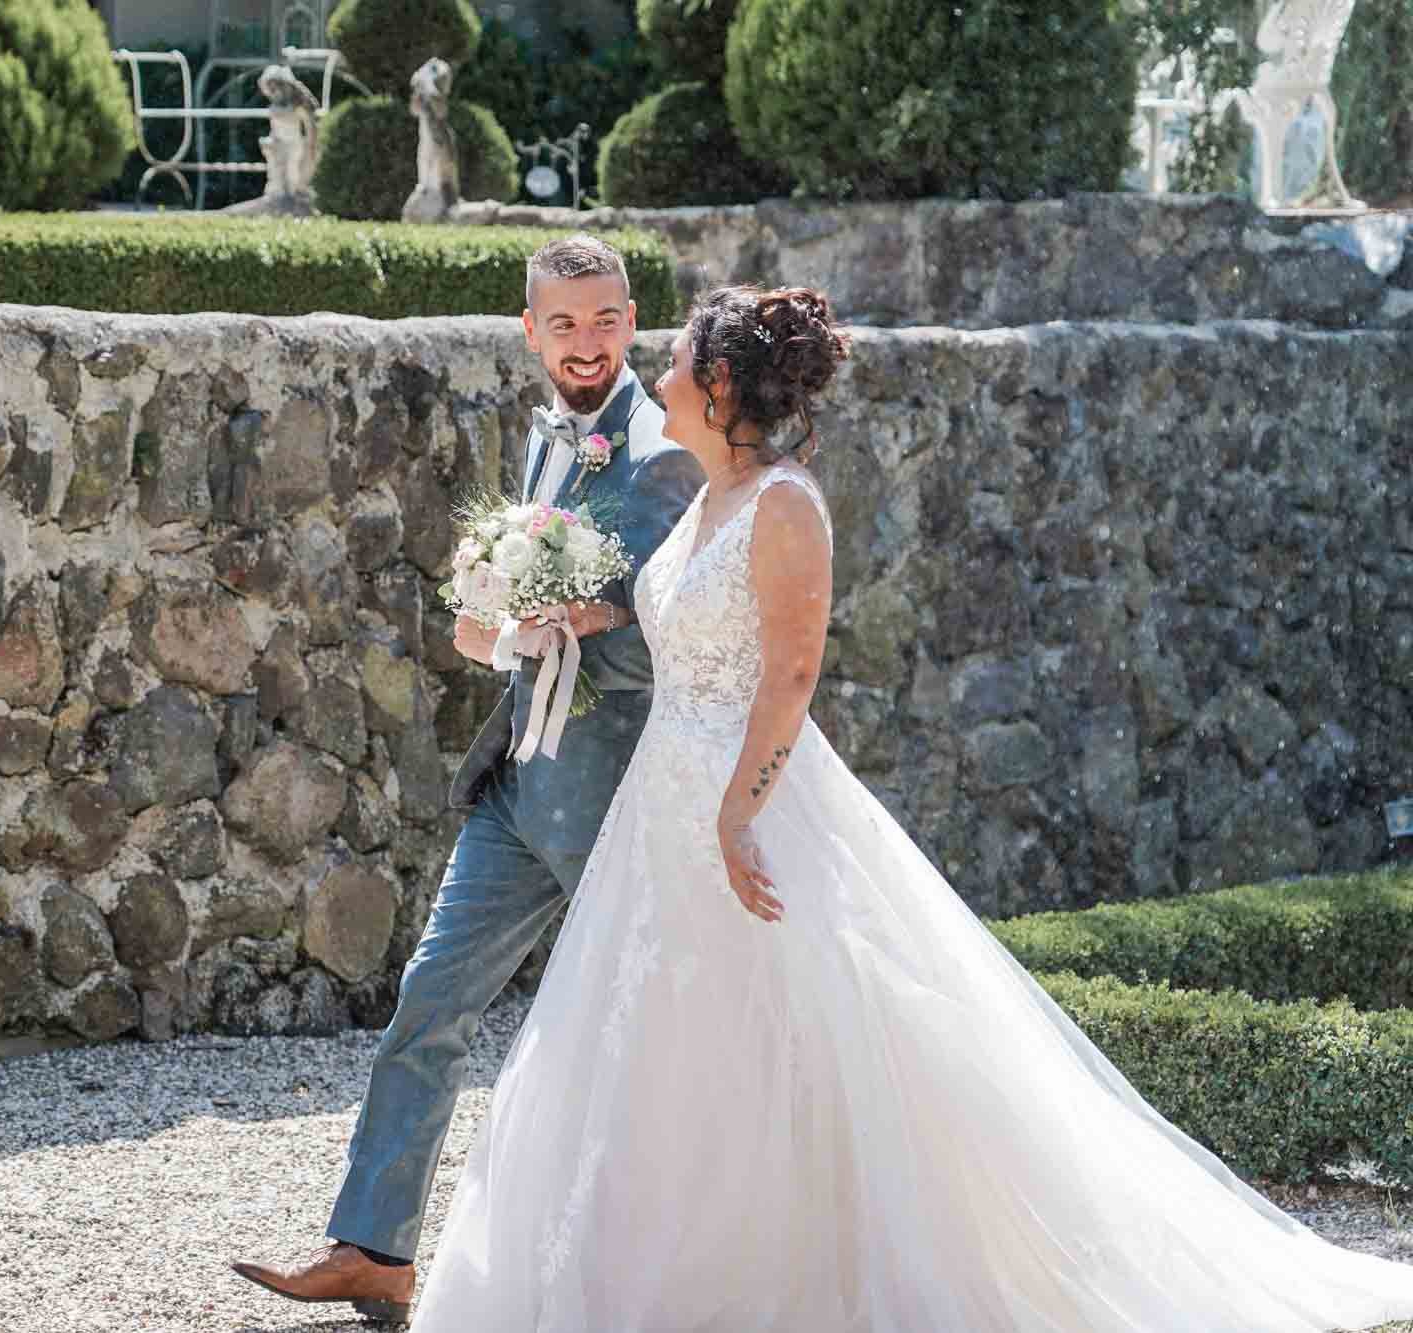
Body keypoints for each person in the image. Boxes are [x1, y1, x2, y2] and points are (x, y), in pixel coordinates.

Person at [408, 283, 1413, 1331]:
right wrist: (589, 607)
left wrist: (735, 813)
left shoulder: (784, 503)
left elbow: (788, 675)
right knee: (648, 1045)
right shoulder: (701, 497)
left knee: (790, 1037)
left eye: (672, 361)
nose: (654, 375)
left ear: (714, 385)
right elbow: (676, 615)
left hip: (736, 802)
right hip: (657, 809)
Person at [228, 235, 702, 1324]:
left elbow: (650, 613)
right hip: (519, 781)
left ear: (630, 322)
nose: (584, 344)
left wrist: (578, 614)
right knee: (428, 1000)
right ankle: (373, 1247)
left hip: (612, 795)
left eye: (603, 321)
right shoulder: (542, 437)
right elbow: (508, 607)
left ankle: (665, 1265)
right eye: (562, 324)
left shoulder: (660, 444)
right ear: (528, 329)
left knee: (644, 1031)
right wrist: (493, 627)